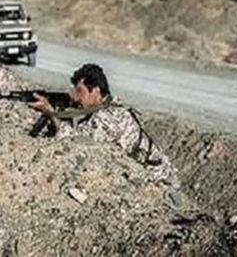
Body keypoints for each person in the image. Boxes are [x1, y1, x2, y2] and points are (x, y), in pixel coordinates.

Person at [30, 63, 179, 187]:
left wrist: (51, 113)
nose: (75, 96)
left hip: (160, 180)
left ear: (96, 91)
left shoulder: (109, 117)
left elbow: (74, 140)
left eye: (80, 91)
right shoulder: (108, 105)